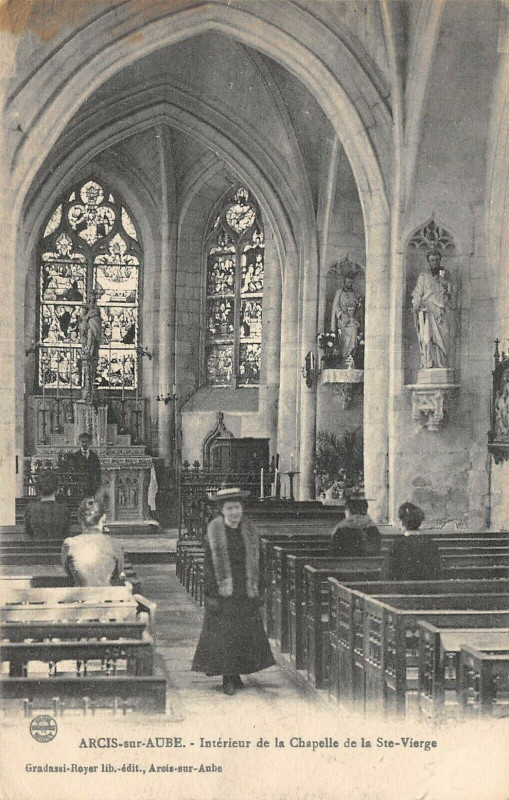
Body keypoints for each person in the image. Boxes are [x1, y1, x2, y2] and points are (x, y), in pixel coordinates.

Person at [192, 487, 275, 695]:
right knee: (225, 634)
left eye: (237, 507)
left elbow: (260, 559)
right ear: (222, 510)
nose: (234, 512)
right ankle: (227, 677)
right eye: (230, 508)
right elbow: (209, 565)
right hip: (224, 590)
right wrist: (211, 593)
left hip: (245, 588)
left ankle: (236, 672)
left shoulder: (250, 529)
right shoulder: (215, 530)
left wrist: (261, 585)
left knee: (244, 633)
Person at [61, 497, 124, 586]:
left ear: (79, 519)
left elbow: (69, 572)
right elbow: (118, 573)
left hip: (81, 597)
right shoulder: (114, 544)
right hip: (108, 597)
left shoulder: (70, 544)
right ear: (103, 518)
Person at [411, 249, 452, 369]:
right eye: (432, 260)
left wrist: (445, 283)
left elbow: (451, 294)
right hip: (427, 310)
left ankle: (441, 364)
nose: (435, 263)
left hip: (441, 312)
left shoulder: (446, 276)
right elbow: (418, 293)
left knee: (442, 338)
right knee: (427, 338)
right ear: (428, 262)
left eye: (437, 260)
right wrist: (416, 305)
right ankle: (428, 363)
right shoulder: (423, 277)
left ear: (440, 260)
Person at [382, 501, 442, 581]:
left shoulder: (396, 545)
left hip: (401, 591)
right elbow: (437, 573)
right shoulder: (431, 544)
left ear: (402, 523)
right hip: (427, 590)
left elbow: (386, 574)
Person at [25, 470, 71, 540]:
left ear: (38, 490)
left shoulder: (30, 509)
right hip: (57, 549)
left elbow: (29, 532)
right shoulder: (64, 510)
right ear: (57, 490)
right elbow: (66, 532)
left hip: (36, 549)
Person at [72, 431, 102, 497]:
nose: (84, 444)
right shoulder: (75, 456)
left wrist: (96, 486)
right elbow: (73, 472)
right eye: (83, 442)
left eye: (86, 442)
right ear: (80, 442)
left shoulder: (94, 456)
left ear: (89, 442)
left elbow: (98, 472)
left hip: (91, 487)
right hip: (78, 487)